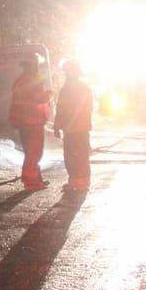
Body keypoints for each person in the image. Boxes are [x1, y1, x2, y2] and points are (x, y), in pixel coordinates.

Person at [8, 53, 53, 190]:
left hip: (24, 121)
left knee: (30, 152)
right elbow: (38, 100)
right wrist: (49, 95)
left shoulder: (20, 80)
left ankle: (34, 178)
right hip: (33, 121)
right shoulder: (32, 80)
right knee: (34, 152)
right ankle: (32, 181)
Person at [53, 59, 93, 192]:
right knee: (79, 156)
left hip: (72, 130)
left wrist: (57, 126)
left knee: (73, 157)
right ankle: (79, 182)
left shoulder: (68, 89)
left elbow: (61, 110)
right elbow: (88, 108)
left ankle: (78, 182)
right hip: (79, 129)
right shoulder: (83, 88)